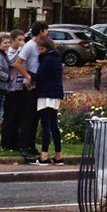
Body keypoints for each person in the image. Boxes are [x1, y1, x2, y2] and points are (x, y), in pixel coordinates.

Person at [10, 22, 44, 163]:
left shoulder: (39, 46)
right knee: (28, 117)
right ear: (41, 31)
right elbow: (17, 63)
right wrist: (27, 76)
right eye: (46, 30)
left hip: (38, 85)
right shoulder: (29, 46)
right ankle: (24, 145)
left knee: (35, 117)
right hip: (30, 86)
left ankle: (31, 144)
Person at [33, 29, 65, 163]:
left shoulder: (47, 60)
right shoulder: (56, 58)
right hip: (55, 93)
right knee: (54, 126)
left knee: (46, 125)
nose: (39, 52)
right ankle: (58, 155)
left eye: (40, 49)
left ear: (45, 48)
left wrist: (28, 74)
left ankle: (44, 155)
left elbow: (40, 76)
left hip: (46, 94)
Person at [0, 31, 28, 152]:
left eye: (23, 40)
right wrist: (21, 52)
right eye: (20, 39)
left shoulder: (22, 52)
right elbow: (13, 63)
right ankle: (6, 142)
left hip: (21, 88)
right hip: (11, 89)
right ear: (14, 40)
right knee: (9, 116)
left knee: (19, 117)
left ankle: (16, 143)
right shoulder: (9, 52)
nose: (22, 42)